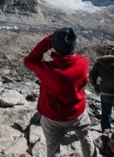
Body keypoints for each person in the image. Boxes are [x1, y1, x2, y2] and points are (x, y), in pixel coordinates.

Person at [24, 27, 96, 157]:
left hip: (52, 116)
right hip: (77, 113)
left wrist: (48, 41)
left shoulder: (48, 70)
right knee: (85, 138)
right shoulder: (83, 63)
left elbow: (29, 60)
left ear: (55, 47)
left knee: (53, 147)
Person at [89, 44, 114, 132]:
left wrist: (96, 86)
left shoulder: (99, 63)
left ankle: (105, 132)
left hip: (104, 93)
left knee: (105, 114)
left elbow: (92, 76)